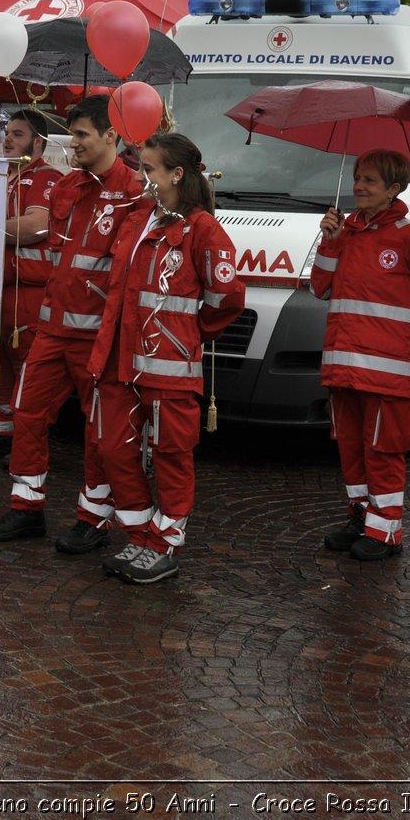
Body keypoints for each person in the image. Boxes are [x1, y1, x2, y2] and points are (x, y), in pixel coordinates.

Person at [0, 96, 144, 552]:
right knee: (28, 414)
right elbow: (51, 247)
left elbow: (127, 272)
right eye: (71, 135)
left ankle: (93, 519)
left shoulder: (133, 191)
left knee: (99, 430)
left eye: (82, 135)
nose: (73, 144)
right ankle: (25, 508)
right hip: (51, 330)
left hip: (97, 337)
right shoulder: (69, 186)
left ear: (111, 136)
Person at [88, 133, 245, 583]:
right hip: (121, 363)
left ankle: (164, 542)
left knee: (172, 455)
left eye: (150, 169)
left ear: (177, 175)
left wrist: (186, 335)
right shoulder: (141, 220)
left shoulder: (203, 229)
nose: (141, 176)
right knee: (113, 448)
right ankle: (141, 536)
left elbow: (226, 298)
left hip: (169, 369)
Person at [310, 148, 410, 561]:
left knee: (384, 451)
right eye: (358, 177)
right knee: (351, 447)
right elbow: (319, 287)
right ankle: (360, 516)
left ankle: (386, 530)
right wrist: (330, 242)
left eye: (370, 180)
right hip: (344, 366)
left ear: (394, 189)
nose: (359, 186)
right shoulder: (345, 232)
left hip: (389, 371)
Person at [0, 109, 61, 458]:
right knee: (0, 364)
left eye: (17, 134)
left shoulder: (47, 178)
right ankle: (1, 432)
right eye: (7, 132)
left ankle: (26, 439)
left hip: (29, 292)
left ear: (38, 142)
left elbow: (37, 225)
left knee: (28, 370)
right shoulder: (1, 177)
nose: (7, 139)